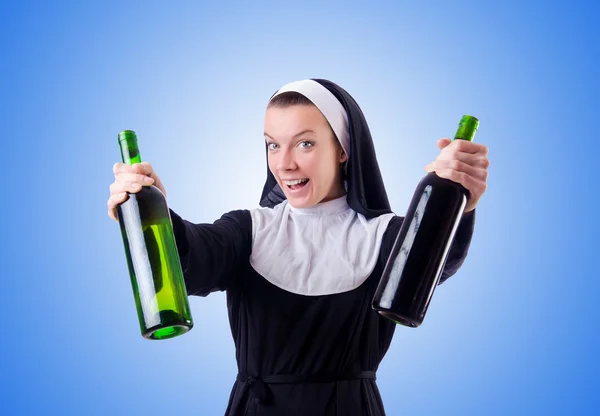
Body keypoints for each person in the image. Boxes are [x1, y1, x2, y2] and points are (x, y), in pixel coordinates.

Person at [107, 79, 489, 415]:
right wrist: (151, 209)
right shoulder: (248, 230)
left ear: (343, 148)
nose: (284, 163)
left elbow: (437, 258)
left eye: (304, 143)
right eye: (273, 146)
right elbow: (190, 259)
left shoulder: (384, 236)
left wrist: (461, 201)